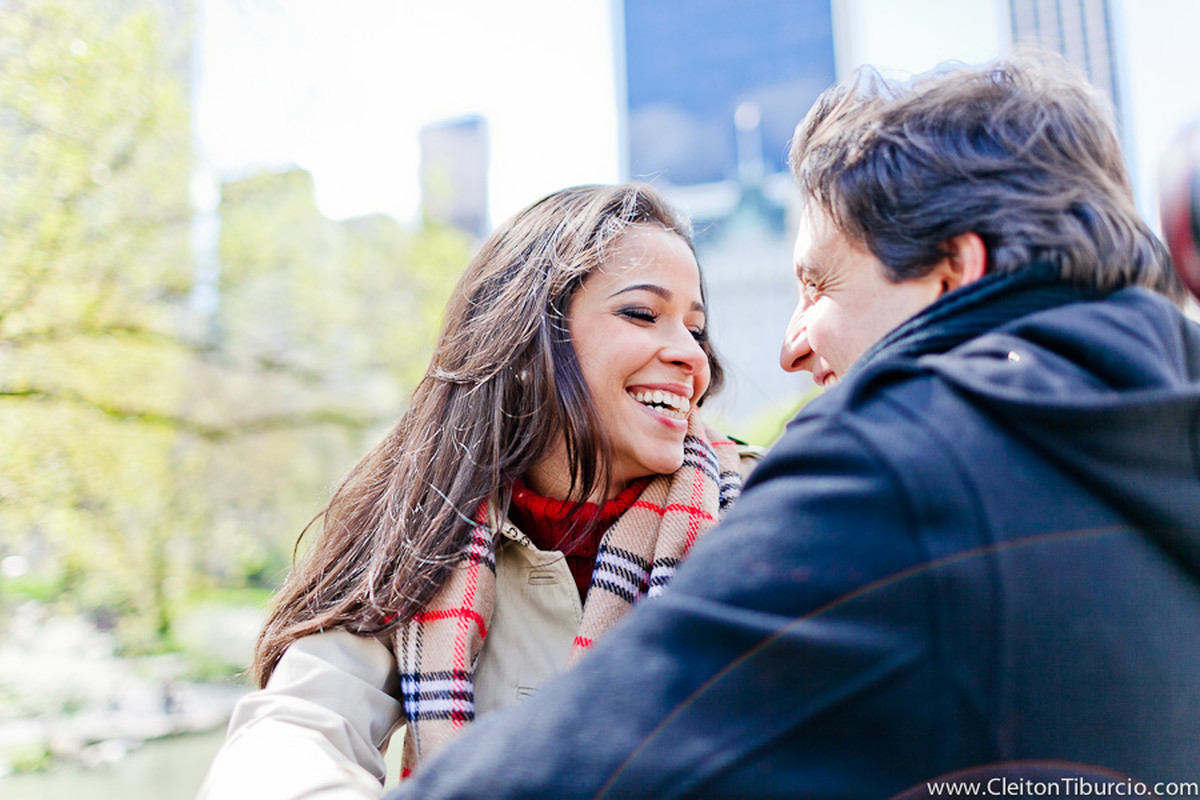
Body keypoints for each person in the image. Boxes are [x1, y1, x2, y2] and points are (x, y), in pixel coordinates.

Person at [382, 53, 1200, 800]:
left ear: (955, 271)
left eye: (818, 286)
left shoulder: (899, 466)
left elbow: (598, 759)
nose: (789, 346)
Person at [196, 183, 760, 798]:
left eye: (696, 329)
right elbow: (294, 733)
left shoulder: (763, 512)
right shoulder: (422, 529)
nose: (689, 355)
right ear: (529, 343)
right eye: (642, 314)